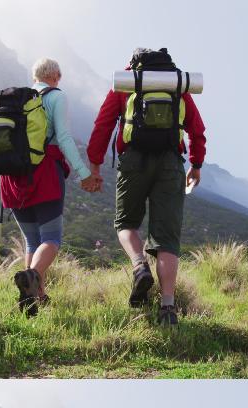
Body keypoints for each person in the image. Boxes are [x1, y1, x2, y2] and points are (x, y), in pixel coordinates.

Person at [85, 47, 206, 325]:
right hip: (170, 163)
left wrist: (94, 164)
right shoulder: (177, 86)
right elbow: (197, 129)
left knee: (125, 223)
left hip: (133, 160)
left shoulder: (127, 85)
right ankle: (168, 308)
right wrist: (196, 164)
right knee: (167, 238)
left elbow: (103, 125)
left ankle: (139, 266)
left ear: (133, 64)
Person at [5, 58, 100, 317]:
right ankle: (32, 279)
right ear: (57, 75)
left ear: (34, 76)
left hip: (13, 176)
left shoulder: (19, 99)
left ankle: (36, 297)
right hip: (45, 171)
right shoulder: (57, 97)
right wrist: (84, 173)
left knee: (31, 240)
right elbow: (65, 138)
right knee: (51, 238)